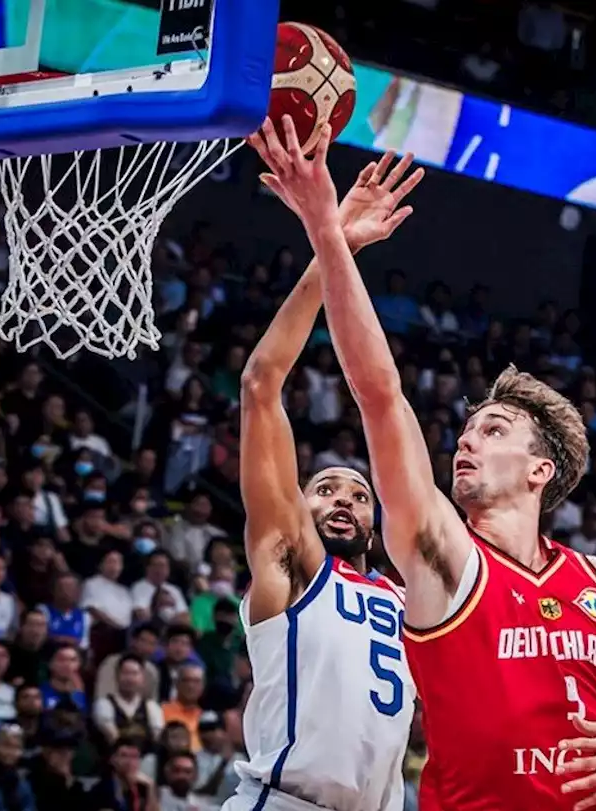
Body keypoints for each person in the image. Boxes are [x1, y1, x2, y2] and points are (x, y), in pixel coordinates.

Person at [249, 116, 596, 810]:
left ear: (541, 469)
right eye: (467, 429)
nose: (466, 441)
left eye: (494, 428)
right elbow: (381, 395)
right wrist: (328, 232)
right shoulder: (444, 557)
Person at [222, 143, 424, 811]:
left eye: (359, 494)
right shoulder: (292, 563)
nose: (344, 499)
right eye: (326, 488)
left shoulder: (409, 598)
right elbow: (260, 384)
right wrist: (333, 242)